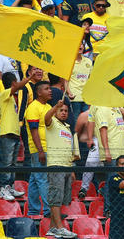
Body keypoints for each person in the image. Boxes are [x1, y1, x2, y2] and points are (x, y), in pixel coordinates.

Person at [44, 100, 79, 238]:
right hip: (56, 165)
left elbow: (69, 151)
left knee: (61, 198)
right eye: (61, 110)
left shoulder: (67, 127)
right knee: (55, 197)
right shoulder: (52, 123)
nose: (63, 113)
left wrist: (71, 169)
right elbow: (46, 118)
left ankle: (52, 227)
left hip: (67, 166)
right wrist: (55, 107)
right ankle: (59, 227)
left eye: (65, 111)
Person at [0, 72, 32, 201]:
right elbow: (17, 87)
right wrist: (28, 78)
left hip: (15, 133)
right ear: (13, 83)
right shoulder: (5, 93)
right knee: (6, 163)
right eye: (16, 81)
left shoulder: (12, 98)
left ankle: (10, 186)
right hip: (7, 132)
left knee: (13, 163)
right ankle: (3, 188)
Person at [25, 81, 52, 217]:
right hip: (39, 149)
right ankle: (48, 211)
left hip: (48, 148)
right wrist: (40, 150)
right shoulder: (33, 107)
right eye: (47, 89)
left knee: (35, 180)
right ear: (39, 92)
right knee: (42, 179)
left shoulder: (48, 106)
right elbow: (34, 130)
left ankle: (33, 210)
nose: (50, 91)